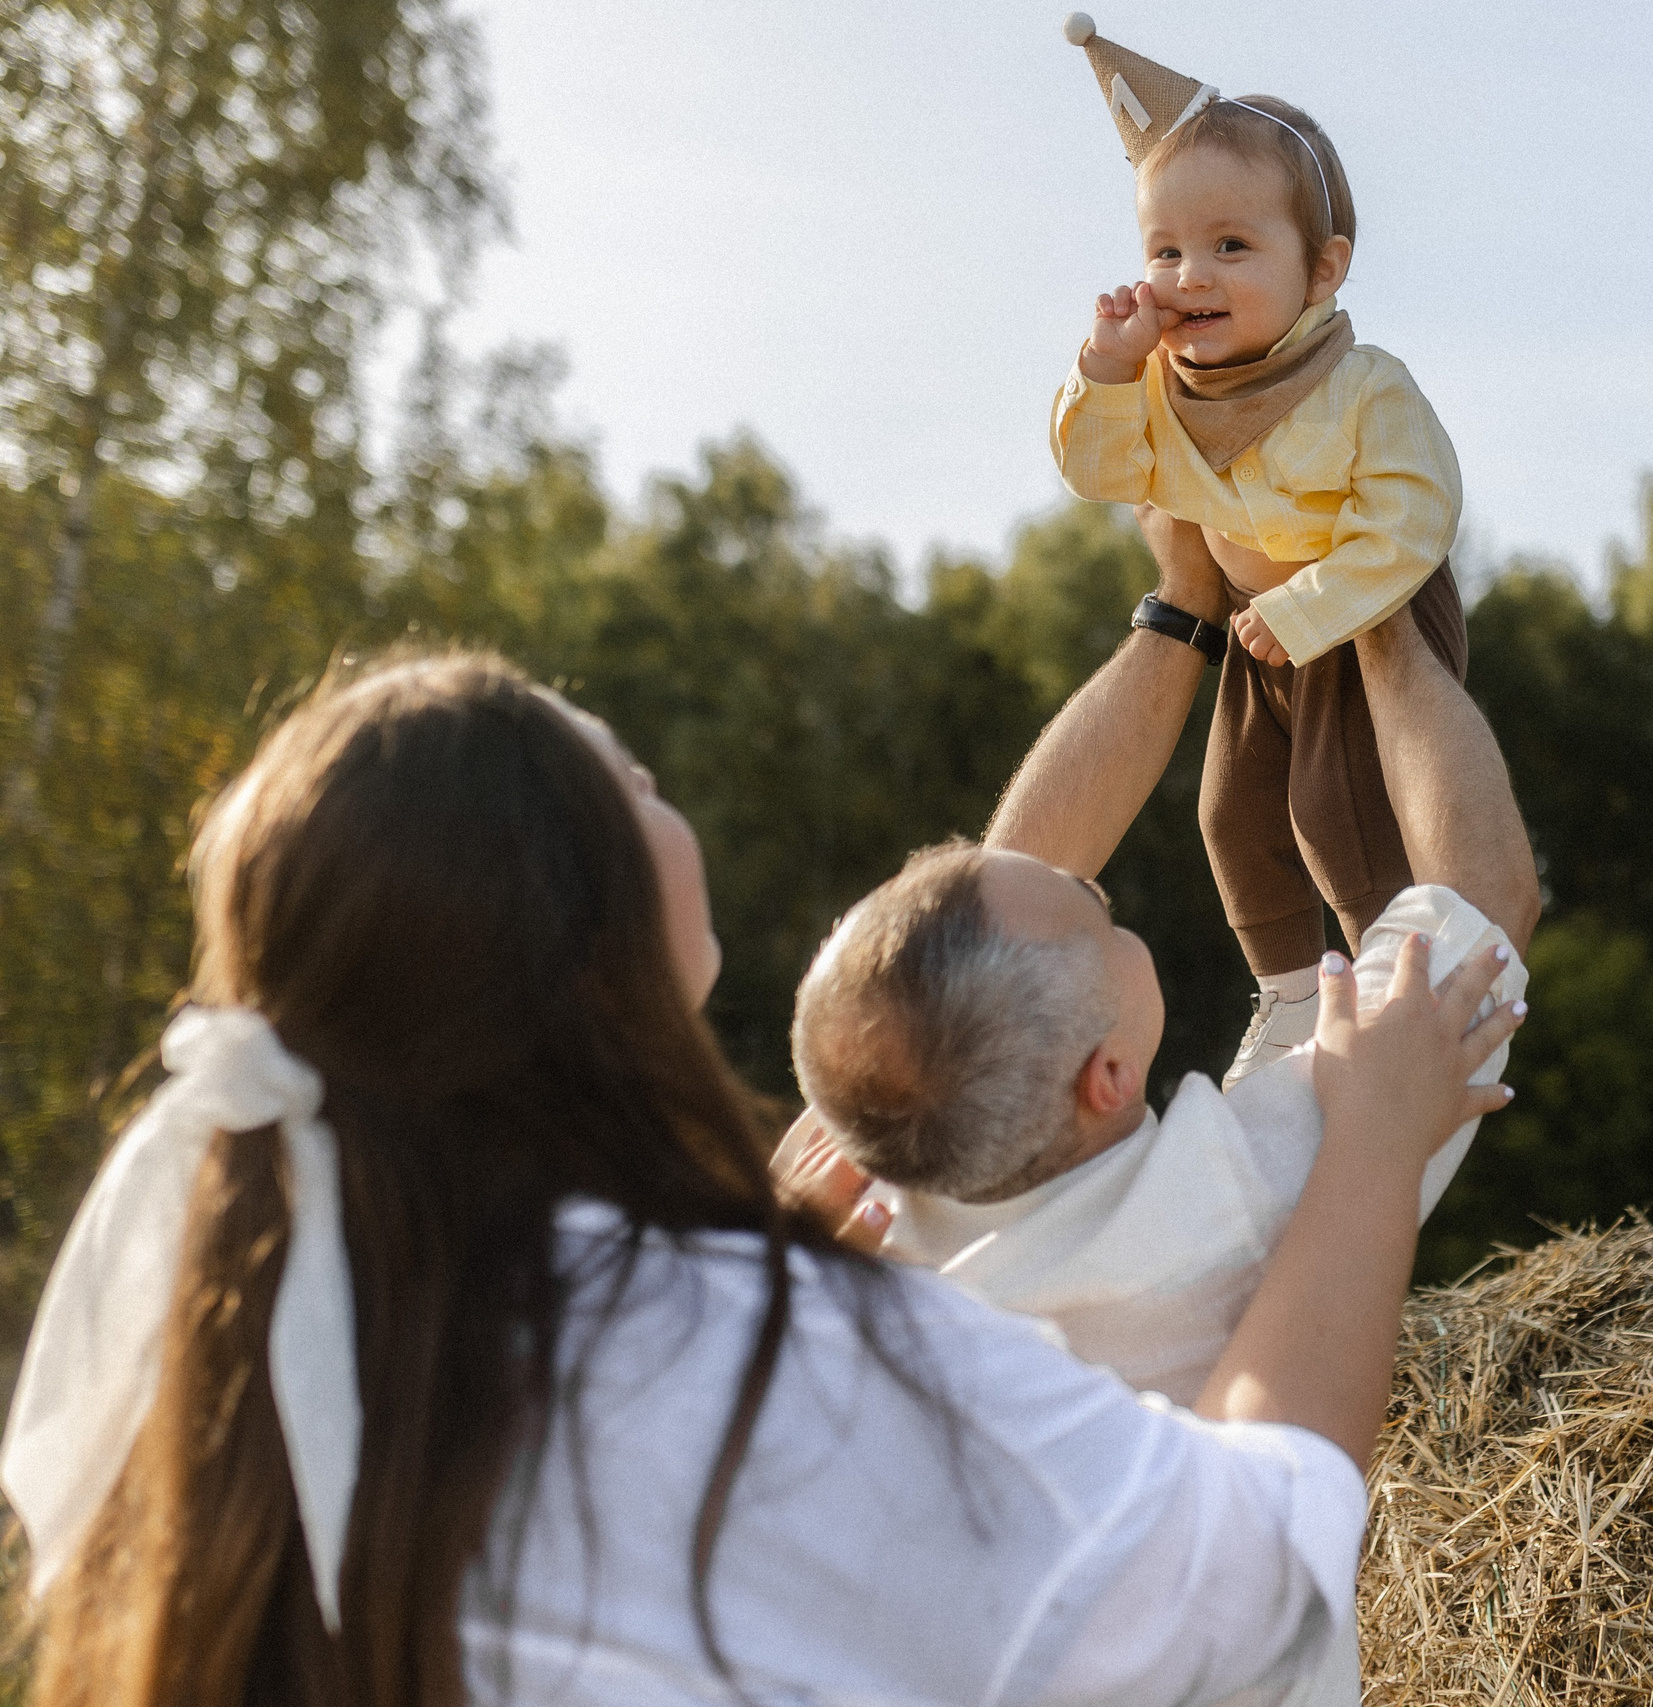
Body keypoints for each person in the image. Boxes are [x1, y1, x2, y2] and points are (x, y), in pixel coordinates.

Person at [0, 652, 1519, 1707]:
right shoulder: (752, 1345)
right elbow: (1244, 1578)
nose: (668, 794)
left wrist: (1175, 617)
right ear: (577, 917)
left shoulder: (300, 1332)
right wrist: (1374, 1149)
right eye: (635, 778)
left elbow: (971, 948)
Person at [779, 511, 1537, 1707]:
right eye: (1100, 919)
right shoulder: (1250, 1198)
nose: (1099, 888)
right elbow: (1484, 897)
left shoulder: (862, 1180)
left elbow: (991, 908)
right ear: (1106, 1080)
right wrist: (1380, 618)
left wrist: (1179, 605)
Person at [1051, 18, 1487, 1081]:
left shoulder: (1360, 385)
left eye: (1230, 246)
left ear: (1323, 268)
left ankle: (1398, 1002)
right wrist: (1105, 376)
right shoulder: (1165, 387)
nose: (1188, 273)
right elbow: (1104, 472)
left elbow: (1413, 519)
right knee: (1232, 818)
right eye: (1164, 249)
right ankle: (1293, 1000)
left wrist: (1303, 613)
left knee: (1334, 812)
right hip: (1262, 632)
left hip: (1361, 615)